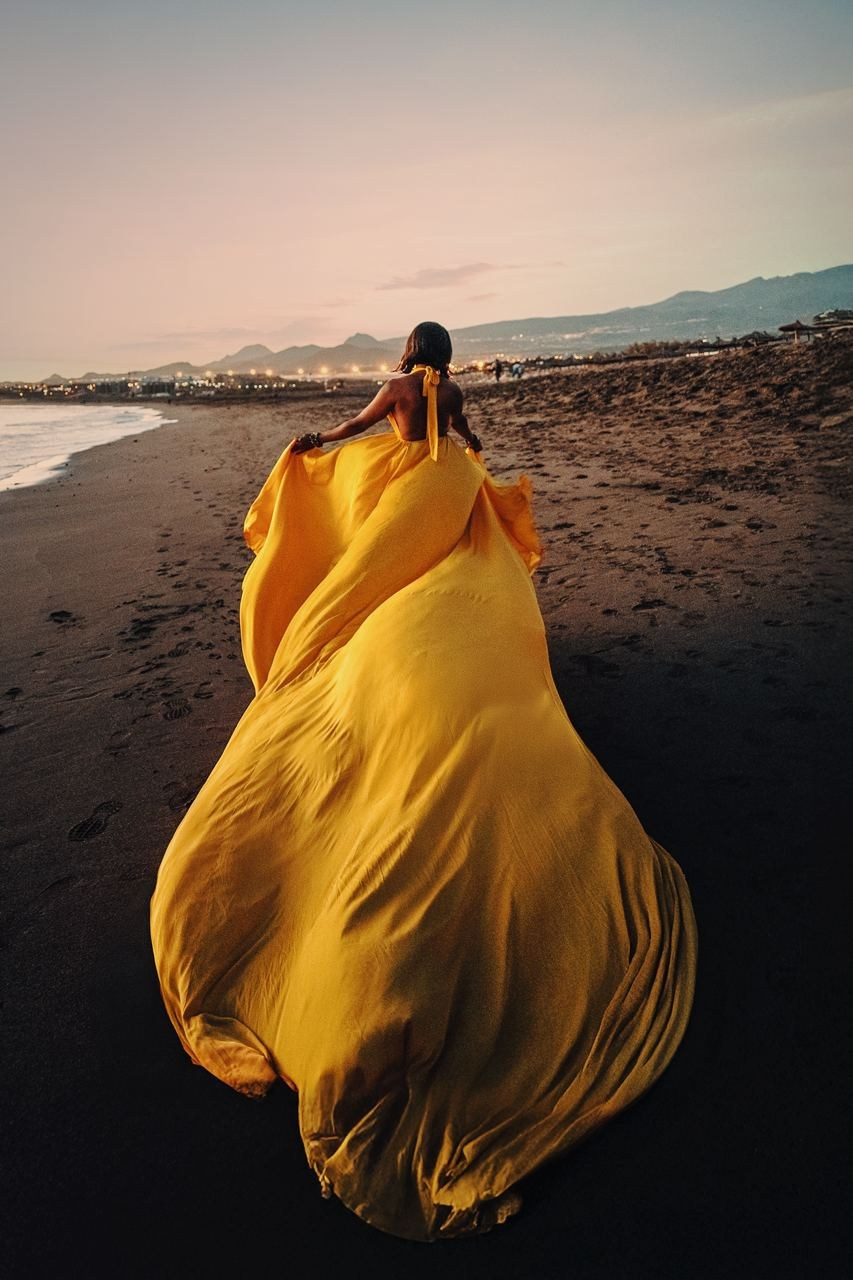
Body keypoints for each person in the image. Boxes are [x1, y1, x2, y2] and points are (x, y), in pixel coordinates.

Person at [150, 319, 697, 1242]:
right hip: (452, 488)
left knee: (358, 594)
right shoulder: (456, 400)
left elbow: (360, 431)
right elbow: (466, 454)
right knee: (446, 575)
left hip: (420, 488)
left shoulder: (402, 390)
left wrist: (314, 446)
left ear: (409, 354)